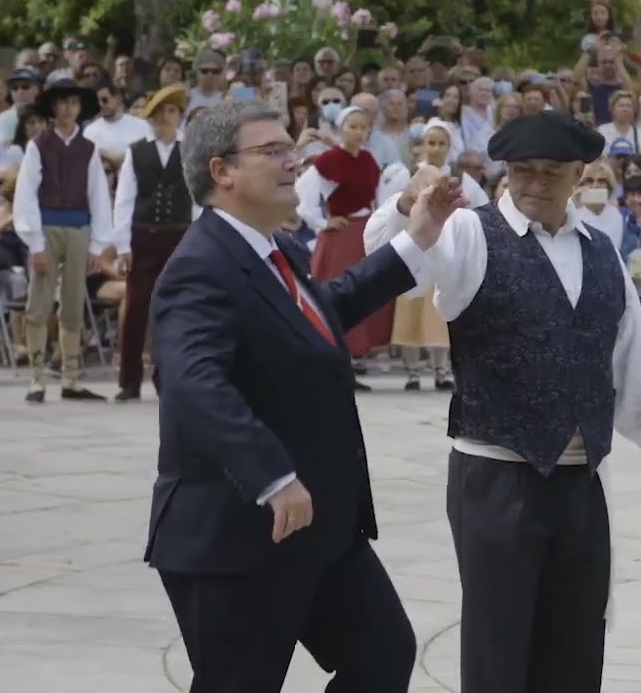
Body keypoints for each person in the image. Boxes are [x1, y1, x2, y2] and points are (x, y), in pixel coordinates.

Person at [365, 110, 641, 693]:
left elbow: (634, 355)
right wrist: (404, 210)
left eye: (550, 172)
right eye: (522, 171)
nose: (535, 183)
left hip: (578, 483)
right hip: (496, 479)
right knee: (499, 651)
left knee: (574, 649)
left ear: (578, 175)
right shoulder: (469, 232)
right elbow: (393, 267)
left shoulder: (600, 251)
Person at [146, 100, 458, 692]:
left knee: (382, 652)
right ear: (222, 172)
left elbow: (323, 311)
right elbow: (193, 383)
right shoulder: (199, 266)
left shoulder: (275, 249)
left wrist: (414, 241)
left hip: (320, 527)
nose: (294, 161)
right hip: (239, 532)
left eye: (291, 148)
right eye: (272, 151)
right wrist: (270, 474)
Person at [12, 79, 112, 402]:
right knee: (39, 302)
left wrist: (98, 245)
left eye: (74, 103)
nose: (68, 109)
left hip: (79, 228)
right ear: (52, 108)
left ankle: (70, 377)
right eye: (62, 103)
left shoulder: (88, 149)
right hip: (47, 227)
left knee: (72, 302)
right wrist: (35, 243)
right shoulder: (38, 146)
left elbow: (98, 197)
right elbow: (25, 195)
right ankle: (37, 378)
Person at [377, 118, 489, 391]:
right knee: (411, 308)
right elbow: (389, 207)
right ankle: (413, 371)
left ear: (449, 146)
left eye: (441, 143)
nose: (436, 148)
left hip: (447, 249)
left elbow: (484, 209)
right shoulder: (408, 175)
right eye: (431, 142)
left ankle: (441, 369)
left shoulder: (461, 179)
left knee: (442, 311)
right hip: (414, 247)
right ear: (422, 145)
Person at [111, 85, 198, 402]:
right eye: (160, 112)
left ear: (179, 116)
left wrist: (199, 240)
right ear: (151, 117)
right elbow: (124, 199)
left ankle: (169, 378)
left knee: (175, 310)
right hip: (143, 236)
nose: (166, 118)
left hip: (178, 237)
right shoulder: (137, 151)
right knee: (135, 308)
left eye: (172, 112)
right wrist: (122, 246)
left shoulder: (189, 150)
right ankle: (129, 380)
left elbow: (199, 198)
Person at [295, 105, 387, 389]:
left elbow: (379, 199)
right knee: (335, 296)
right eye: (352, 127)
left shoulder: (370, 161)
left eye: (363, 127)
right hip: (341, 234)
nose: (358, 133)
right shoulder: (329, 161)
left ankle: (349, 362)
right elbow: (303, 197)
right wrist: (323, 223)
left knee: (360, 294)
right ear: (341, 129)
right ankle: (334, 363)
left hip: (364, 231)